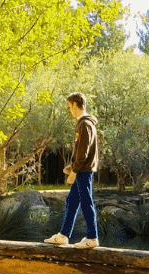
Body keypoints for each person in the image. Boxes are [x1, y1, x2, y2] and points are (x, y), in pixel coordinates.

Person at [44, 92, 100, 248]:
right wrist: (71, 166)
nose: (69, 110)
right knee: (72, 200)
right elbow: (82, 151)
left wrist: (74, 172)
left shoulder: (85, 124)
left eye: (70, 107)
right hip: (81, 169)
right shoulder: (83, 123)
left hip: (83, 171)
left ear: (76, 104)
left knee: (86, 202)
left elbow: (84, 152)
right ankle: (63, 235)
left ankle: (92, 237)